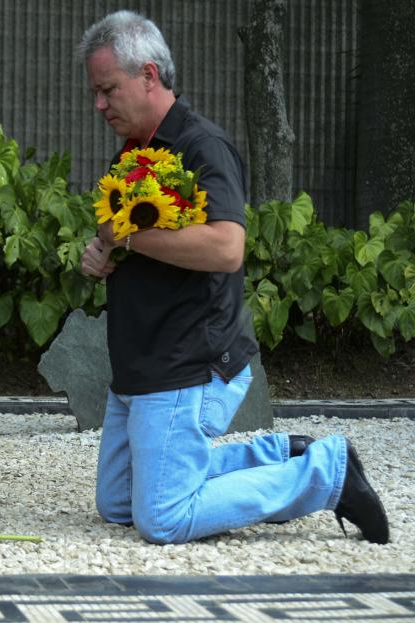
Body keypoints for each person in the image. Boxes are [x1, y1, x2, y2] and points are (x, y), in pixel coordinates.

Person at [77, 10, 389, 545]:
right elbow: (142, 240)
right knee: (119, 503)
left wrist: (123, 237)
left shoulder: (203, 146)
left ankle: (326, 474)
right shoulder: (135, 152)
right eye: (96, 92)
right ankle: (280, 452)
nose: (99, 104)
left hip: (187, 364)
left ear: (149, 75)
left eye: (108, 89)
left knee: (164, 517)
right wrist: (104, 250)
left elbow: (226, 247)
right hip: (140, 362)